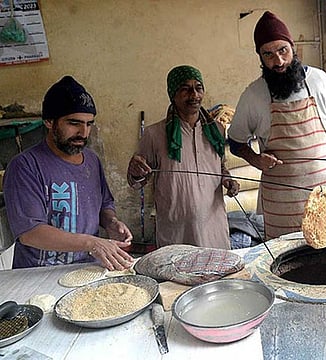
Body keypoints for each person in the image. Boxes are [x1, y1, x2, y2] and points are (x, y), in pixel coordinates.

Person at [227, 11, 326, 240]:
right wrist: (256, 160)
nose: (278, 62)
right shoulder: (253, 95)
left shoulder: (319, 81)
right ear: (260, 57)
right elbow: (236, 142)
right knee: (288, 265)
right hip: (281, 207)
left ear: (292, 48)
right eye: (268, 54)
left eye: (282, 51)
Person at [3, 75, 134, 269]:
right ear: (49, 121)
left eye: (89, 124)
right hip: (39, 275)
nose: (84, 133)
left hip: (87, 268)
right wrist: (92, 243)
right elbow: (30, 232)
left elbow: (104, 204)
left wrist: (111, 223)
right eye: (74, 123)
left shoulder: (91, 161)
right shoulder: (25, 166)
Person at [127, 65, 239, 249]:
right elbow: (136, 182)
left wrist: (228, 179)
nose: (194, 95)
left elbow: (220, 167)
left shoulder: (216, 130)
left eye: (198, 88)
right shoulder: (154, 134)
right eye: (185, 89)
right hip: (176, 231)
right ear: (173, 94)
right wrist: (135, 171)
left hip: (213, 229)